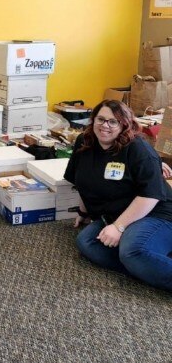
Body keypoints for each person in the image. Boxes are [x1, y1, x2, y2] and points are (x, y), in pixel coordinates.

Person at [65, 100, 172, 292]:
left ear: (124, 124)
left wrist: (118, 227)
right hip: (116, 212)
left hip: (157, 213)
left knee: (132, 250)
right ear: (93, 120)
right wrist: (83, 211)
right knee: (87, 242)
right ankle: (145, 264)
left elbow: (150, 195)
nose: (105, 125)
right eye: (101, 119)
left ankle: (142, 257)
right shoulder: (84, 142)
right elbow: (81, 181)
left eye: (113, 121)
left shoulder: (138, 148)